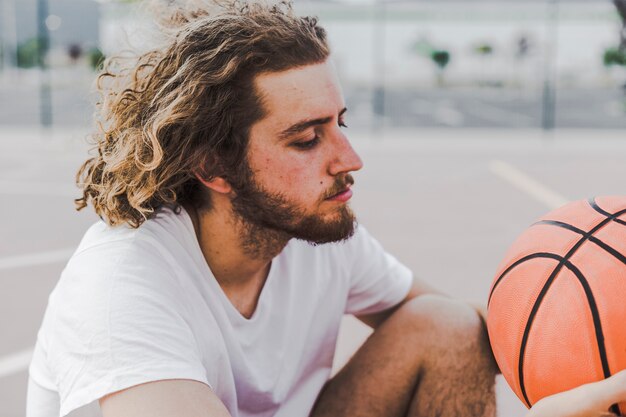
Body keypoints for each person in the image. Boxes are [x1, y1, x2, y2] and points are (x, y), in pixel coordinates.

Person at [24, 1, 626, 417]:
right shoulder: (122, 291)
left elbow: (493, 330)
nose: (351, 158)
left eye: (341, 124)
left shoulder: (307, 229)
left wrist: (600, 360)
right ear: (213, 167)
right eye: (306, 139)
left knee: (445, 323)